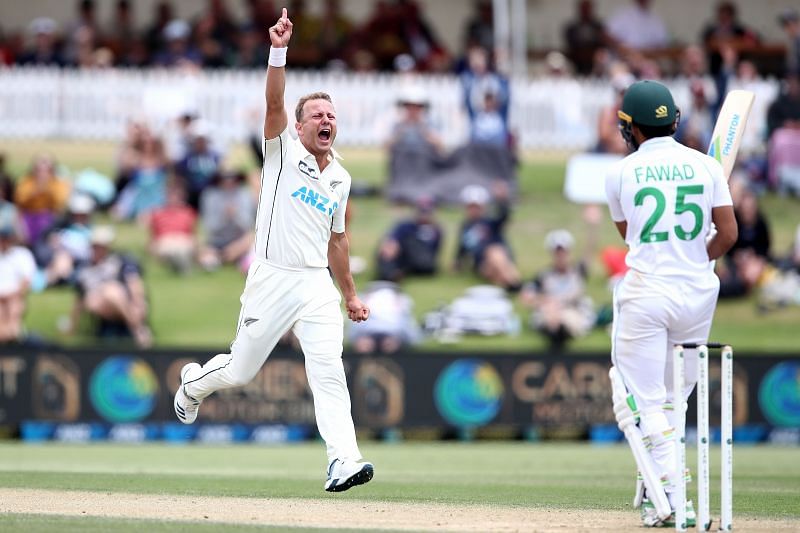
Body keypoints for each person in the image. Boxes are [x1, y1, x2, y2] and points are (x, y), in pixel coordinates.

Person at [173, 8, 374, 493]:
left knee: (329, 370)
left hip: (315, 286)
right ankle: (193, 383)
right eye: (317, 116)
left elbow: (338, 240)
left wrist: (348, 293)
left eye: (331, 115)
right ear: (299, 127)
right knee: (241, 371)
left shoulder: (340, 177)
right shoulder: (282, 151)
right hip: (271, 277)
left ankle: (343, 461)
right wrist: (278, 50)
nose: (326, 121)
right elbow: (273, 101)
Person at [605, 80, 737, 527]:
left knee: (644, 399)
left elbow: (629, 233)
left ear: (630, 128)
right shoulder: (707, 167)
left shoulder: (620, 173)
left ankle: (675, 497)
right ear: (675, 120)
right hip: (698, 294)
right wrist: (700, 255)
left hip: (647, 292)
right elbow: (730, 234)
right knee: (674, 400)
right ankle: (657, 486)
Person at [66, 225, 152, 347]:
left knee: (111, 291)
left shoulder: (119, 261)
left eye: (101, 246)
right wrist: (72, 326)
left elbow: (134, 282)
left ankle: (134, 326)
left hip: (122, 300)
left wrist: (138, 302)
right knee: (100, 297)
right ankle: (137, 328)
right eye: (95, 246)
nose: (98, 249)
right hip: (99, 304)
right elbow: (79, 300)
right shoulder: (84, 269)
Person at [520, 229, 596, 350]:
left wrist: (592, 226)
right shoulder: (543, 276)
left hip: (572, 311)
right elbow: (526, 297)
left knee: (565, 318)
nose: (561, 256)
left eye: (563, 252)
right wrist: (546, 301)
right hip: (550, 313)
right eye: (557, 252)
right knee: (550, 316)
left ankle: (560, 334)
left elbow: (589, 251)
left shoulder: (578, 272)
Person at [454, 183, 520, 291]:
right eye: (471, 207)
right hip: (482, 265)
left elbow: (504, 217)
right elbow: (462, 247)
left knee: (496, 253)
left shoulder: (490, 222)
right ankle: (515, 284)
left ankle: (510, 283)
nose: (473, 210)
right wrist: (458, 262)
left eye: (476, 207)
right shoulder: (465, 227)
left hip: (502, 260)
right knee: (493, 253)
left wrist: (502, 201)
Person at [376, 196, 443, 281]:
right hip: (404, 258)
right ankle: (390, 274)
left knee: (411, 244)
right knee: (388, 247)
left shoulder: (436, 230)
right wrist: (392, 244)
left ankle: (394, 273)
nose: (424, 215)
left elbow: (434, 253)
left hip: (423, 263)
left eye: (427, 212)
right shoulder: (406, 225)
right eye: (422, 212)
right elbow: (391, 240)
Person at [0, 224, 36, 344]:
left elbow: (26, 281)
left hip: (15, 296)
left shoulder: (22, 254)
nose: (4, 241)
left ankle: (13, 334)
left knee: (14, 305)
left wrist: (11, 295)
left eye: (6, 238)